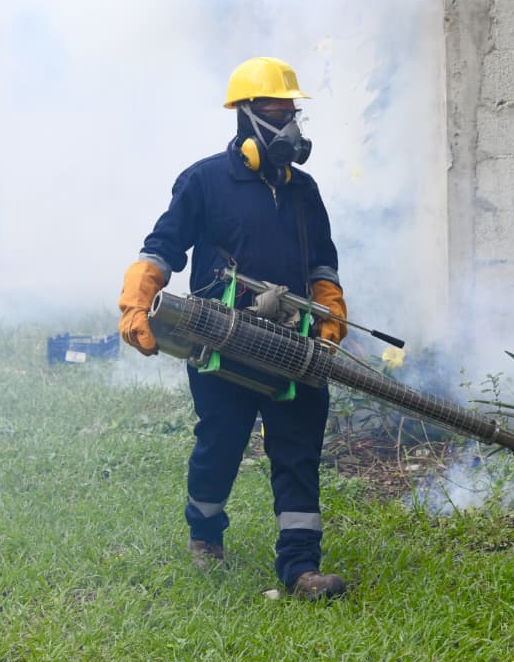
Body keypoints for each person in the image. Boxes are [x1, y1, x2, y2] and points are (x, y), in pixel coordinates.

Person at [117, 56, 349, 601]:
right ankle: (205, 535)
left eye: (292, 111)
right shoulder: (203, 181)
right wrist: (136, 304)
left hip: (292, 346)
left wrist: (329, 311)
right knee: (219, 444)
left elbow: (322, 265)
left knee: (297, 449)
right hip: (221, 342)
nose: (288, 123)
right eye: (275, 110)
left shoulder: (304, 191)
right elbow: (162, 249)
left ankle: (300, 569)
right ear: (245, 116)